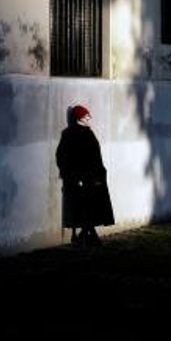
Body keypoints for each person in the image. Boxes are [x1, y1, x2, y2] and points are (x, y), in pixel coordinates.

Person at [56, 104, 114, 247]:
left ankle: (87, 234)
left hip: (93, 177)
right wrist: (71, 175)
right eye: (87, 116)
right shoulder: (70, 134)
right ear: (80, 118)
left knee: (92, 206)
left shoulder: (88, 133)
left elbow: (96, 156)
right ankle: (90, 235)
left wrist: (100, 174)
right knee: (84, 207)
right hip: (80, 178)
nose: (89, 119)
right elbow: (63, 156)